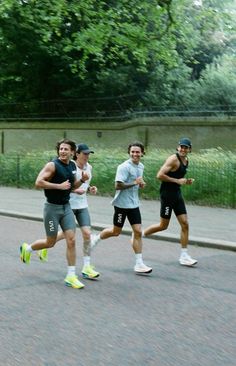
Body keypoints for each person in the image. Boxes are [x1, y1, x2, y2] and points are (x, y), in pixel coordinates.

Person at [20, 138, 89, 289]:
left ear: (72, 152)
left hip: (66, 208)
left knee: (71, 240)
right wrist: (58, 186)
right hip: (52, 209)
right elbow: (38, 182)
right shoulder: (52, 165)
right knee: (50, 242)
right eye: (61, 149)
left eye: (66, 149)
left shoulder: (71, 165)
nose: (63, 151)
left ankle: (71, 276)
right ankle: (28, 248)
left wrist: (82, 181)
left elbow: (70, 186)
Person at [91, 141, 152, 274]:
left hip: (134, 204)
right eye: (133, 152)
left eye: (138, 152)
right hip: (121, 205)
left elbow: (136, 181)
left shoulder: (141, 166)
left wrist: (140, 184)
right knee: (116, 231)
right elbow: (118, 186)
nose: (135, 154)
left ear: (142, 153)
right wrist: (134, 182)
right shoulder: (123, 167)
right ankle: (96, 238)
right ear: (129, 152)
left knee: (137, 231)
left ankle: (139, 263)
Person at [143, 137, 197, 266]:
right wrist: (177, 181)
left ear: (190, 149)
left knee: (185, 224)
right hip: (167, 195)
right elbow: (159, 175)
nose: (183, 149)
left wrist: (185, 181)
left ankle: (184, 256)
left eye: (186, 147)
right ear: (178, 147)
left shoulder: (186, 161)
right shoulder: (173, 159)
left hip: (177, 195)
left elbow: (177, 176)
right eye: (181, 147)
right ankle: (140, 234)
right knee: (163, 225)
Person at [56, 143, 100, 280]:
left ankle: (86, 267)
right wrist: (76, 190)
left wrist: (91, 188)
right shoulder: (70, 166)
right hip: (69, 204)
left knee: (87, 234)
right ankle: (47, 244)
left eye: (88, 154)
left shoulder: (89, 167)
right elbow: (66, 185)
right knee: (67, 235)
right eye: (85, 153)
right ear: (77, 154)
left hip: (82, 206)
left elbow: (86, 184)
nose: (87, 156)